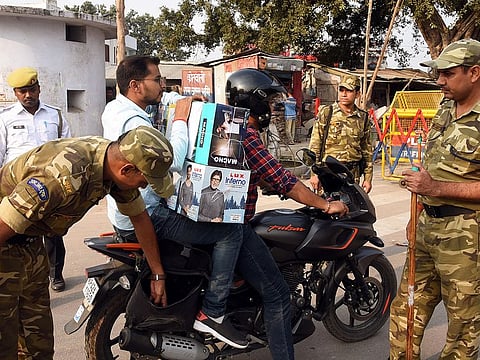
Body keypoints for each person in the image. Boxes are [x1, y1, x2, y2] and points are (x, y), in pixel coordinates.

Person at [102, 55, 248, 349]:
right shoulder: (136, 122)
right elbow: (172, 160)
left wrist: (175, 103)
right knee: (231, 231)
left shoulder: (115, 109)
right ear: (135, 85)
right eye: (157, 80)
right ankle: (213, 312)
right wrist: (181, 118)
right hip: (147, 211)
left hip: (122, 211)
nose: (162, 85)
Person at [0, 125, 174, 359]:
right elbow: (4, 223)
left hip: (30, 243)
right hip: (4, 241)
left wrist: (157, 273)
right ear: (127, 169)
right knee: (5, 342)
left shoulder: (113, 166)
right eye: (145, 180)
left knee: (38, 340)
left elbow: (140, 218)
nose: (144, 186)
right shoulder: (64, 175)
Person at [225, 67, 350, 360]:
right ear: (253, 100)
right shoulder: (248, 134)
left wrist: (268, 184)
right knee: (279, 295)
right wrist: (325, 205)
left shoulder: (229, 128)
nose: (272, 107)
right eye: (268, 101)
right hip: (235, 227)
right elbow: (284, 180)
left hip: (220, 222)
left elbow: (262, 175)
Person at [389, 38, 480, 360]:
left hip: (466, 236)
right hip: (428, 227)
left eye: (448, 73)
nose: (440, 81)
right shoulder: (444, 108)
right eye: (438, 73)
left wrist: (437, 188)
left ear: (474, 73)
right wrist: (416, 219)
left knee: (463, 323)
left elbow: (434, 182)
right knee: (407, 308)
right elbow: (429, 168)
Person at [0, 67, 72, 292]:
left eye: (31, 89)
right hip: (17, 187)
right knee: (18, 233)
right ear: (15, 93)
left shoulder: (55, 115)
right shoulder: (5, 118)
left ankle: (55, 274)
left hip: (50, 186)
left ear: (39, 89)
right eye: (22, 91)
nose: (28, 95)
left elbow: (67, 149)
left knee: (52, 233)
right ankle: (23, 277)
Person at [308, 74, 373, 194]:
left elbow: (367, 149)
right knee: (327, 208)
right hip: (328, 174)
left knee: (352, 210)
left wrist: (368, 178)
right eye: (342, 90)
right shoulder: (327, 113)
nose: (344, 94)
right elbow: (315, 145)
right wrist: (314, 174)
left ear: (357, 94)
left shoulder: (363, 118)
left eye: (348, 91)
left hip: (352, 174)